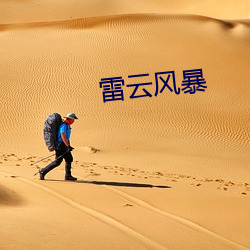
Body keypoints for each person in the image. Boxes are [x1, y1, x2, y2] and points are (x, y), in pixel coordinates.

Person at [39, 112, 78, 181]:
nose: (74, 121)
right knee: (57, 162)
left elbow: (66, 137)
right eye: (73, 119)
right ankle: (43, 172)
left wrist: (68, 145)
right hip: (61, 145)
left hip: (64, 145)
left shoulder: (67, 125)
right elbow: (63, 135)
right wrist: (67, 146)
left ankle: (68, 175)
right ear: (70, 119)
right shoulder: (64, 126)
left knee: (69, 159)